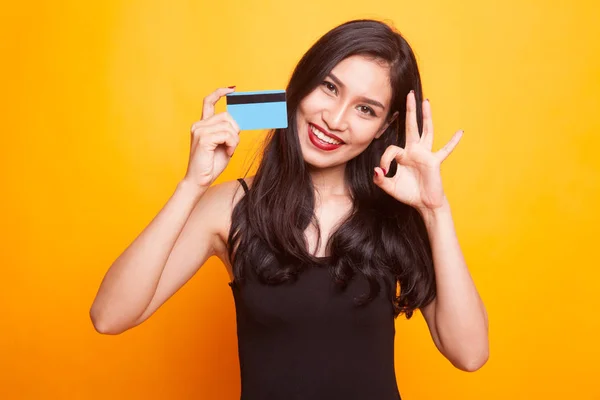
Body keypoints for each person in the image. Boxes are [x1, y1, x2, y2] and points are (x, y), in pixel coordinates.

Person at [90, 19, 489, 399]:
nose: (334, 119)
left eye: (365, 109)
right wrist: (192, 186)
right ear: (301, 84)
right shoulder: (230, 207)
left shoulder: (398, 212)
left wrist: (435, 211)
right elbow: (110, 316)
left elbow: (469, 354)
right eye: (329, 88)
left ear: (385, 127)